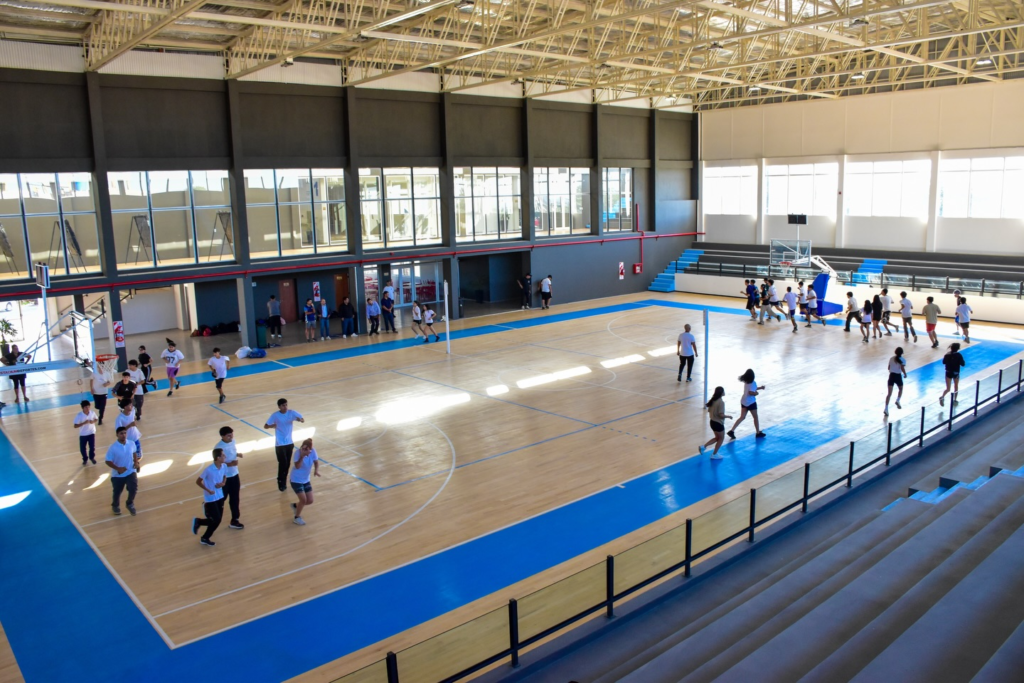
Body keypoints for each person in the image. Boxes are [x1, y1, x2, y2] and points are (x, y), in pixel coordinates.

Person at [265, 398, 304, 492]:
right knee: (283, 463)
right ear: (279, 407)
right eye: (283, 405)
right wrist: (272, 426)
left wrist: (300, 420)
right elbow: (266, 426)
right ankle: (280, 480)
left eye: (286, 405)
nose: (285, 407)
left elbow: (302, 419)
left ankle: (284, 481)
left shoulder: (291, 413)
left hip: (289, 443)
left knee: (287, 464)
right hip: (280, 444)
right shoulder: (275, 415)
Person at [192, 448, 226, 547]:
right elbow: (198, 481)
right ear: (218, 458)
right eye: (223, 455)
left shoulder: (224, 466)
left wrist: (223, 483)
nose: (225, 457)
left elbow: (225, 476)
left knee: (217, 520)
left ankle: (199, 522)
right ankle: (205, 538)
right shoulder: (208, 470)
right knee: (216, 519)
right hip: (210, 498)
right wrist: (208, 490)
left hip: (220, 495)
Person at [105, 426, 139, 516]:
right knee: (117, 492)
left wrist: (136, 462)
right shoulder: (113, 448)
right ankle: (115, 505)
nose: (123, 435)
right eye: (121, 433)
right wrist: (118, 468)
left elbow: (134, 452)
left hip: (130, 471)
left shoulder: (131, 443)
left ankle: (129, 503)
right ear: (117, 435)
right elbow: (107, 461)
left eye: (125, 433)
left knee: (133, 488)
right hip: (118, 475)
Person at [216, 426, 243, 530]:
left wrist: (237, 454)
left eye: (232, 435)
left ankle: (235, 520)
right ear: (222, 436)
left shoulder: (233, 442)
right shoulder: (218, 448)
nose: (231, 437)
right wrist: (231, 464)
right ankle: (209, 509)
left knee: (235, 498)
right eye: (228, 435)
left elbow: (232, 452)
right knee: (221, 499)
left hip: (235, 475)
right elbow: (217, 464)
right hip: (224, 477)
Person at [289, 438, 320, 526]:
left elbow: (316, 462)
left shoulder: (313, 451)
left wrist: (316, 471)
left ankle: (296, 506)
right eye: (303, 448)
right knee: (303, 500)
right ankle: (297, 518)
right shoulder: (297, 453)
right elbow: (297, 466)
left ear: (310, 449)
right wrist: (302, 456)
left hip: (306, 479)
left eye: (306, 449)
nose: (304, 450)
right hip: (296, 479)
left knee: (310, 500)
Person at [728, 369, 766, 439]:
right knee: (755, 417)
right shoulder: (753, 383)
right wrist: (756, 393)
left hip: (744, 401)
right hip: (751, 402)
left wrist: (760, 388)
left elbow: (752, 388)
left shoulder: (746, 382)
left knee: (742, 417)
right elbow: (751, 392)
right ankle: (758, 432)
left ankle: (732, 431)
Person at [699, 386, 733, 460]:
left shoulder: (713, 401)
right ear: (721, 393)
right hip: (718, 423)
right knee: (721, 438)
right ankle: (714, 454)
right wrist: (728, 416)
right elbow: (721, 415)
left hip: (712, 422)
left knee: (717, 438)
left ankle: (703, 447)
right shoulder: (721, 402)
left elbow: (709, 411)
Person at [940, 342, 966, 407]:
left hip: (948, 372)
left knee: (948, 388)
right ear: (958, 349)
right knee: (956, 386)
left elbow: (943, 362)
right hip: (956, 373)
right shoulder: (959, 355)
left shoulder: (947, 354)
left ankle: (942, 397)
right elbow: (963, 364)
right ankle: (955, 400)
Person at [73, 399, 98, 465]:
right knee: (82, 449)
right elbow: (75, 426)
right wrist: (83, 423)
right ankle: (85, 459)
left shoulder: (92, 413)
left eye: (88, 407)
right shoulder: (79, 415)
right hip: (83, 434)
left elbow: (96, 419)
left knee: (92, 447)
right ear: (83, 408)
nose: (88, 408)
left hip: (91, 432)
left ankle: (92, 457)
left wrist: (93, 421)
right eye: (86, 407)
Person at [884, 347, 907, 416]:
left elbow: (888, 368)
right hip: (898, 376)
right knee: (900, 389)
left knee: (889, 394)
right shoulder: (903, 360)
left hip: (891, 376)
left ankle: (886, 409)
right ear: (902, 353)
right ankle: (898, 400)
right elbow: (902, 368)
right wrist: (905, 374)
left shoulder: (891, 358)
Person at [90, 360, 111, 425]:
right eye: (100, 366)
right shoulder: (94, 373)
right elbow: (91, 380)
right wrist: (91, 389)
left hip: (104, 392)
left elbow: (109, 381)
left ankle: (100, 418)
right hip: (96, 392)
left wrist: (106, 384)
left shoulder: (107, 373)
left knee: (102, 406)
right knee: (97, 406)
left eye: (102, 366)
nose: (101, 367)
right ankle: (100, 411)